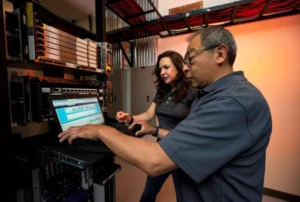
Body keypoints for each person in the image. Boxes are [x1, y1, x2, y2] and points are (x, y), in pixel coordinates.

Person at [58, 26, 272, 202]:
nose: (187, 68)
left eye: (190, 58)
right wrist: (145, 125)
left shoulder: (231, 102)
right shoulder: (209, 95)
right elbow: (189, 138)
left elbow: (155, 161)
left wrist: (100, 130)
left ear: (220, 54)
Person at [116, 50, 196, 202]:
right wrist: (130, 117)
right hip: (162, 150)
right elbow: (149, 114)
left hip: (182, 151)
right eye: (160, 69)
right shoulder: (162, 91)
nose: (162, 72)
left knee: (185, 196)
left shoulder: (192, 93)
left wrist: (153, 130)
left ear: (179, 67)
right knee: (148, 194)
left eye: (166, 67)